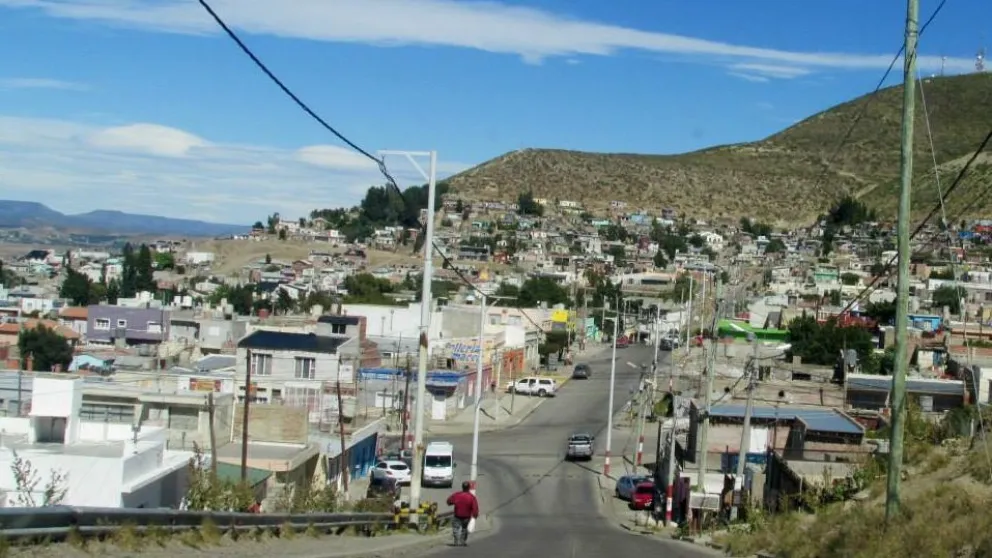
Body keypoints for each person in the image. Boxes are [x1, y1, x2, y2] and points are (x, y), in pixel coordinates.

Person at [446, 481, 479, 547]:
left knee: (456, 528)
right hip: (466, 516)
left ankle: (456, 541)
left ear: (462, 487)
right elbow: (475, 508)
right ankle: (462, 541)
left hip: (457, 515)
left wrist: (452, 503)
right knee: (464, 529)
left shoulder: (457, 495)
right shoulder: (471, 497)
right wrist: (475, 516)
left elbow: (449, 501)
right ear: (469, 488)